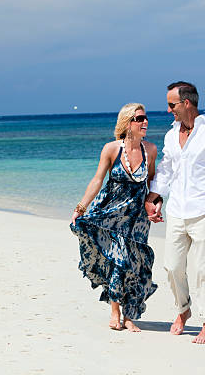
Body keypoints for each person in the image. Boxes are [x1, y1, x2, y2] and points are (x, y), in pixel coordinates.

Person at [145, 81, 205, 344]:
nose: (169, 110)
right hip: (176, 210)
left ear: (187, 103)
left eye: (172, 105)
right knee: (172, 266)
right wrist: (154, 196)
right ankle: (183, 309)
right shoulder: (171, 134)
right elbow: (166, 168)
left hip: (204, 211)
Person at [70, 103, 158, 332]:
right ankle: (116, 312)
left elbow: (153, 186)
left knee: (135, 263)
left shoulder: (151, 150)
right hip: (111, 213)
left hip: (137, 219)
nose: (145, 122)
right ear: (128, 123)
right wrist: (81, 207)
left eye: (145, 118)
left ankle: (130, 315)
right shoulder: (111, 149)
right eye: (139, 119)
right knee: (119, 261)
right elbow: (98, 179)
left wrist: (156, 206)